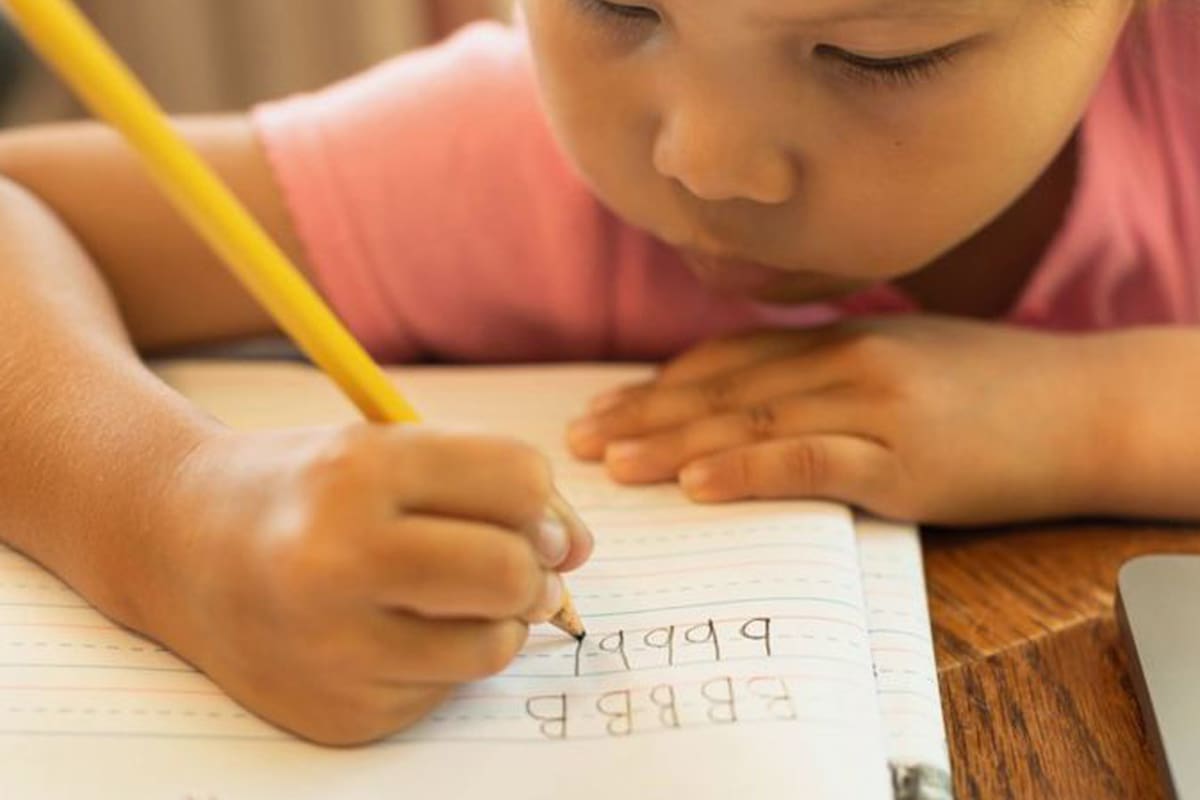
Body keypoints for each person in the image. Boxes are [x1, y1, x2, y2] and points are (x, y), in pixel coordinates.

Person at [0, 0, 1195, 744]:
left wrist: (1096, 413)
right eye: (615, 4)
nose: (707, 160)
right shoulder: (499, 164)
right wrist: (169, 513)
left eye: (876, 56)